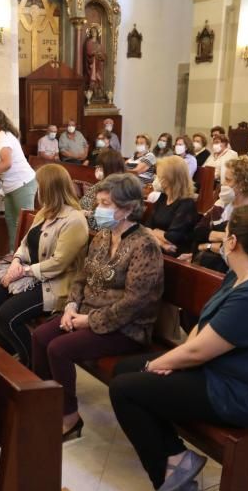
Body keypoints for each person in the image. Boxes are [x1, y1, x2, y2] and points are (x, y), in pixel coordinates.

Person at [109, 204, 248, 491]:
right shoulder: (243, 273)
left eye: (225, 234)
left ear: (233, 241)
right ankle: (175, 457)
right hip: (220, 369)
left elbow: (199, 352)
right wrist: (172, 362)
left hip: (243, 392)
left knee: (125, 388)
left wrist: (165, 364)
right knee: (125, 370)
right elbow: (205, 327)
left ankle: (169, 479)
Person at [31, 174, 164, 441]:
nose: (98, 209)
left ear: (127, 208)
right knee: (40, 336)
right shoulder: (103, 236)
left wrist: (88, 321)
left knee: (59, 348)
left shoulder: (145, 245)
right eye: (99, 202)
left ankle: (69, 416)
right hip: (86, 314)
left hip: (127, 328)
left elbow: (135, 303)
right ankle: (45, 403)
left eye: (106, 203)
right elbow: (82, 276)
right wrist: (70, 306)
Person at [0, 165, 89, 365]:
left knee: (7, 316)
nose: (37, 191)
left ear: (50, 188)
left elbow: (59, 263)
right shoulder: (45, 213)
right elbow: (25, 243)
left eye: (40, 186)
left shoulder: (74, 220)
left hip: (56, 283)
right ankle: (9, 351)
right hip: (32, 276)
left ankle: (32, 365)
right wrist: (17, 262)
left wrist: (24, 271)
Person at [187, 158, 248, 273]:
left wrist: (207, 246)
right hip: (207, 264)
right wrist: (225, 238)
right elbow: (199, 231)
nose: (223, 183)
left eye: (228, 180)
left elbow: (241, 250)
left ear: (243, 184)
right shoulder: (222, 204)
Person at [0, 109, 38, 253]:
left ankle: (29, 257)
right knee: (11, 222)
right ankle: (14, 255)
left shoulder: (5, 138)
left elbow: (6, 163)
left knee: (25, 223)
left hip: (22, 184)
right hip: (10, 187)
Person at [146, 156, 198, 255]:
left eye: (159, 176)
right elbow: (146, 227)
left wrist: (155, 231)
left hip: (175, 256)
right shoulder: (162, 198)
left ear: (170, 179)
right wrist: (161, 243)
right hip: (158, 248)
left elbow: (172, 238)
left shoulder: (187, 204)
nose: (156, 179)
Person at [80, 148, 126, 230]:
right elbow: (82, 202)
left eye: (101, 167)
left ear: (111, 168)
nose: (97, 170)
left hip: (94, 231)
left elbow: (102, 223)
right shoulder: (100, 183)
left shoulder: (117, 189)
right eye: (97, 166)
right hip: (82, 222)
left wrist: (85, 214)